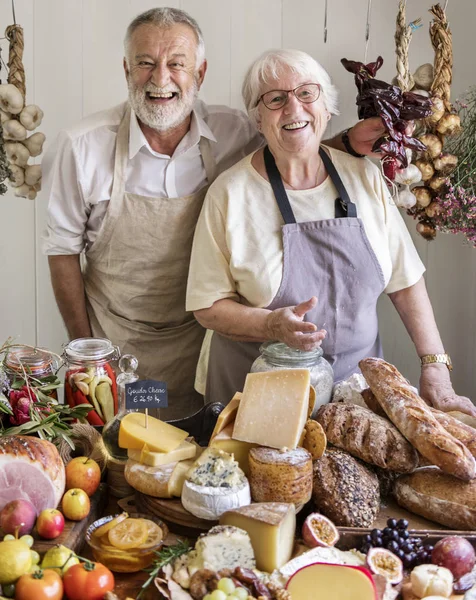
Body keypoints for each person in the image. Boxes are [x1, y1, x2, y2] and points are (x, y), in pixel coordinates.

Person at [42, 8, 392, 420]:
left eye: (177, 64)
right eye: (145, 63)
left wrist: (347, 142)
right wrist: (88, 357)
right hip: (124, 352)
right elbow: (63, 252)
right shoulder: (82, 148)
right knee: (130, 452)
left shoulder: (234, 132)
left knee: (199, 450)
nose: (160, 79)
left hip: (206, 343)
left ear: (200, 73)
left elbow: (292, 149)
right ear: (126, 69)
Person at [186, 48, 476, 417]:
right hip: (257, 399)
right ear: (258, 119)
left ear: (327, 107)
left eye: (307, 93)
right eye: (275, 99)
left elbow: (405, 280)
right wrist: (272, 324)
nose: (294, 109)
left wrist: (435, 366)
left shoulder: (365, 177)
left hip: (356, 398)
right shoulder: (230, 194)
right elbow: (207, 307)